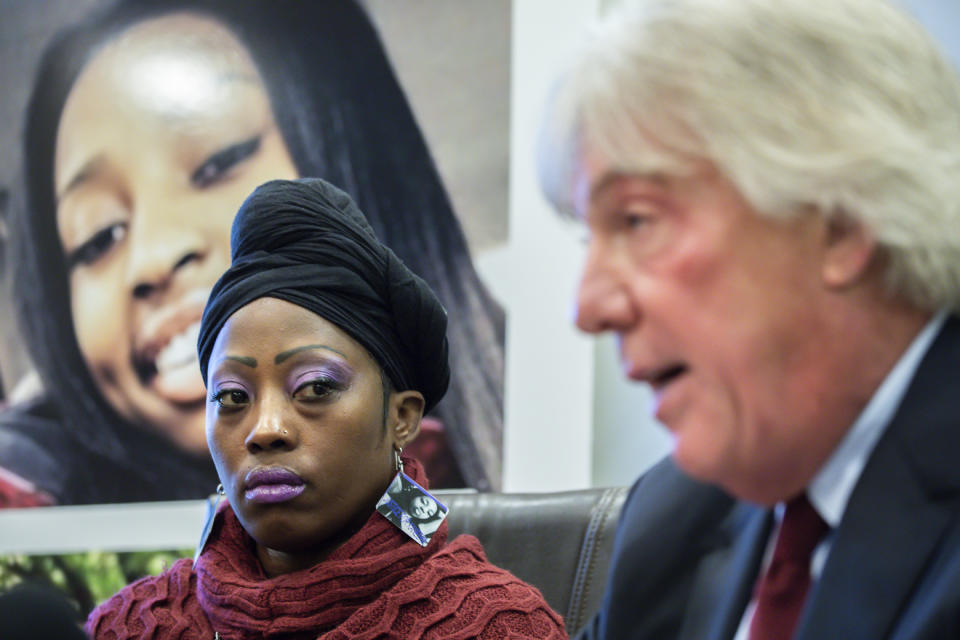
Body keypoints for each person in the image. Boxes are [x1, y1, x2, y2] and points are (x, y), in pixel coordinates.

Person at [537, 0, 960, 638]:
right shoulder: (673, 519)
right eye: (588, 241)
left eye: (636, 221)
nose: (589, 307)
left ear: (841, 224)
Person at [1, 0, 503, 505]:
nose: (154, 255)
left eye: (223, 159)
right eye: (100, 235)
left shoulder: (458, 539)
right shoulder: (32, 484)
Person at [85, 178, 565, 639]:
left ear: (402, 417)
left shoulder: (496, 627)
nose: (265, 430)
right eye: (233, 397)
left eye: (315, 387)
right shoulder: (127, 625)